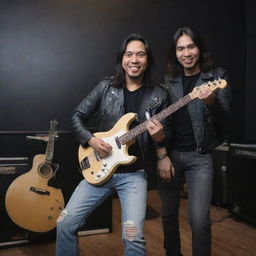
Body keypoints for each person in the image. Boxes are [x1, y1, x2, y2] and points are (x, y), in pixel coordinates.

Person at [55, 33, 170, 256]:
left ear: (147, 60)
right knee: (65, 223)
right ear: (122, 59)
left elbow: (165, 136)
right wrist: (91, 140)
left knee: (133, 236)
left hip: (134, 175)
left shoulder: (160, 94)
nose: (134, 60)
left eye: (140, 54)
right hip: (99, 169)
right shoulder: (106, 86)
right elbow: (76, 116)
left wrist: (159, 139)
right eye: (129, 54)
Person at [157, 27, 232, 256]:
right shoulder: (169, 80)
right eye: (181, 48)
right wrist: (162, 154)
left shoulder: (216, 77)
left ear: (199, 49)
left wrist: (211, 102)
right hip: (170, 156)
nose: (186, 53)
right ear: (175, 52)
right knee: (169, 214)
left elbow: (227, 121)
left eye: (191, 46)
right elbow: (164, 119)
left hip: (200, 157)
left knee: (199, 220)